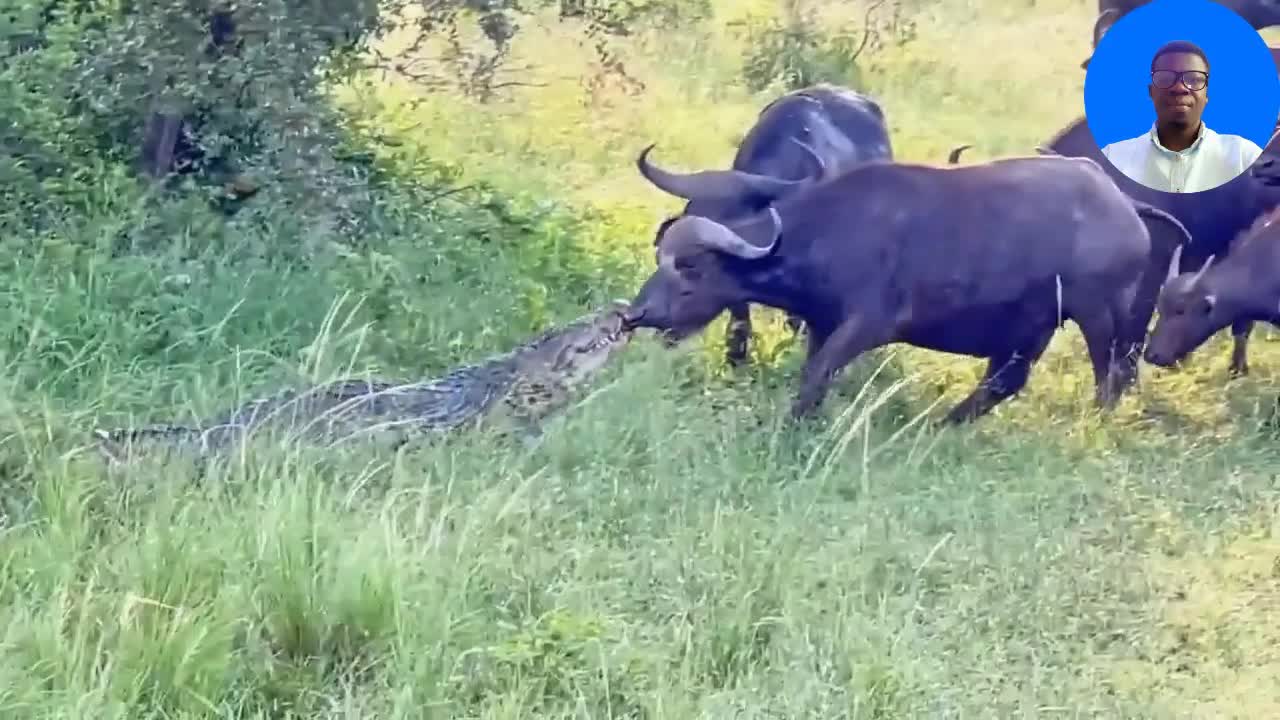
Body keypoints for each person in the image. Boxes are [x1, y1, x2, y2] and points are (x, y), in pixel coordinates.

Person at [1100, 39, 1264, 193]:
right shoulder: (1112, 158)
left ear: (1206, 94)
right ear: (1151, 92)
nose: (1179, 88)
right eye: (1165, 79)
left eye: (1193, 79)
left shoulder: (1245, 157)